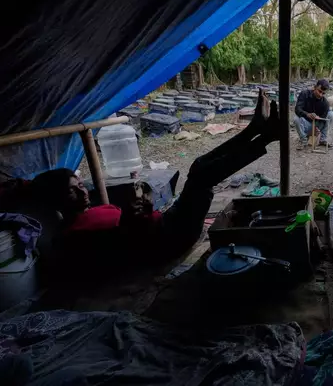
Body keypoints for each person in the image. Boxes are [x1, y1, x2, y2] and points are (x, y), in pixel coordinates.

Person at [32, 90, 279, 286]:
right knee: (202, 177)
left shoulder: (91, 211)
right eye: (72, 191)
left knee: (198, 166)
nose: (83, 191)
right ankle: (264, 134)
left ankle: (256, 129)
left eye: (79, 185)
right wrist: (134, 217)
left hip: (167, 221)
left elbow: (130, 223)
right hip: (167, 241)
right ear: (57, 201)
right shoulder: (72, 237)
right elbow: (121, 252)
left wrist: (144, 206)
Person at [293, 79, 333, 149]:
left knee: (332, 115)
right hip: (305, 124)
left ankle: (323, 139)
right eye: (319, 91)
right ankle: (303, 140)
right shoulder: (304, 94)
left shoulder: (325, 103)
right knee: (296, 118)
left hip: (316, 126)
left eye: (323, 93)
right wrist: (306, 114)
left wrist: (317, 128)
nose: (320, 95)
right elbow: (297, 109)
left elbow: (323, 120)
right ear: (315, 87)